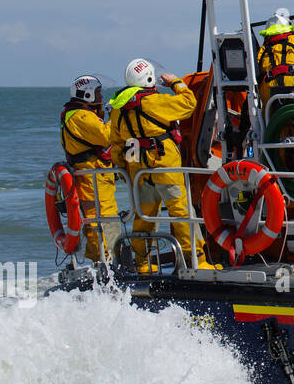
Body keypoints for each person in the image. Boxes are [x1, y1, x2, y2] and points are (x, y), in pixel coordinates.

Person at [109, 58, 217, 271]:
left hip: (137, 168)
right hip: (165, 167)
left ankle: (141, 262)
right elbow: (189, 104)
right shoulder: (155, 102)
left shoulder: (118, 108)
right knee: (182, 213)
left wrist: (123, 170)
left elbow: (115, 143)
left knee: (144, 216)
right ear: (149, 78)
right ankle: (197, 260)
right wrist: (176, 83)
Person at [60, 75, 120, 262]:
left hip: (96, 175)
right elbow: (106, 135)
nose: (100, 97)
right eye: (98, 93)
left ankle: (106, 258)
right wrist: (116, 114)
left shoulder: (80, 114)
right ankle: (104, 260)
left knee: (103, 217)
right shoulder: (81, 116)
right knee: (100, 218)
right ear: (86, 94)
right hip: (92, 177)